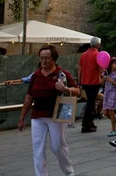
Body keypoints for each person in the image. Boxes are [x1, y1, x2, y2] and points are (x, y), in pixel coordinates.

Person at [18, 44, 79, 176]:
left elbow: (77, 91)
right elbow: (29, 97)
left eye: (47, 58)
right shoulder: (36, 75)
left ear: (54, 59)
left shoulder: (62, 74)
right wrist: (22, 118)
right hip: (38, 115)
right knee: (37, 149)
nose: (44, 61)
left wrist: (65, 89)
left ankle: (68, 171)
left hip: (57, 114)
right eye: (41, 58)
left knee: (57, 146)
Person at [77, 37, 102, 133]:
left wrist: (79, 82)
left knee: (90, 102)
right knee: (90, 102)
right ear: (98, 45)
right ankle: (85, 124)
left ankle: (90, 122)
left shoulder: (83, 55)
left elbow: (79, 69)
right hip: (94, 82)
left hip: (85, 82)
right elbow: (101, 69)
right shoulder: (98, 55)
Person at [103, 58, 116, 137]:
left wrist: (110, 80)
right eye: (115, 63)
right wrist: (104, 78)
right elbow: (102, 82)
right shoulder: (107, 73)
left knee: (111, 111)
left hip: (113, 93)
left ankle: (113, 129)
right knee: (105, 112)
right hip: (106, 93)